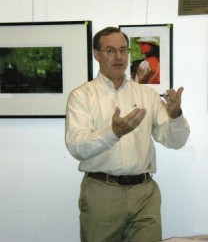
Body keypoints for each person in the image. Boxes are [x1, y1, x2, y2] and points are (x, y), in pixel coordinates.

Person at [65, 26, 190, 242]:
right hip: (102, 193)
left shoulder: (147, 94)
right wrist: (113, 133)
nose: (119, 57)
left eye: (123, 50)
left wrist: (176, 115)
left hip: (144, 194)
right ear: (96, 54)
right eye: (110, 50)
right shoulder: (81, 96)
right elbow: (77, 146)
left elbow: (175, 142)